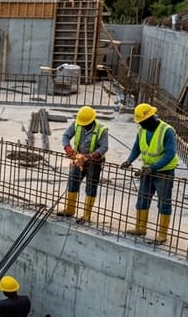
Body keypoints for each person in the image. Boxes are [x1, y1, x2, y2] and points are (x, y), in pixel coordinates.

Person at [120, 102, 178, 243]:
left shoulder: (167, 131)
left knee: (164, 202)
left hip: (164, 172)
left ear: (150, 118)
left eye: (142, 122)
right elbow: (137, 147)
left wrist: (154, 167)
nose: (140, 125)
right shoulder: (142, 129)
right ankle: (140, 228)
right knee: (142, 199)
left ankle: (162, 234)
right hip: (147, 170)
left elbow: (170, 153)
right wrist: (129, 160)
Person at [57, 105, 108, 223]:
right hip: (79, 160)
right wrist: (67, 147)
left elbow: (104, 147)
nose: (83, 125)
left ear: (91, 121)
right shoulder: (77, 124)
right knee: (72, 182)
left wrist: (91, 156)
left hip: (94, 162)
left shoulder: (101, 130)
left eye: (86, 124)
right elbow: (66, 135)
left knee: (91, 187)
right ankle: (70, 210)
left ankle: (86, 215)